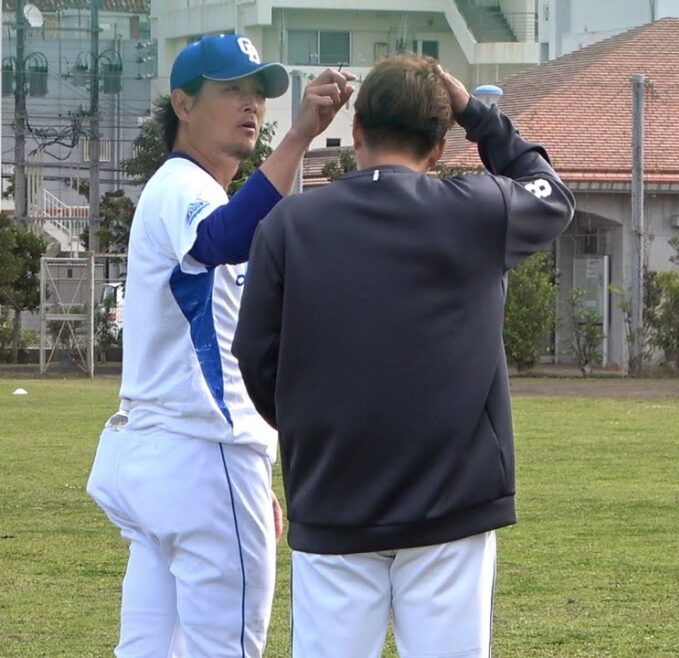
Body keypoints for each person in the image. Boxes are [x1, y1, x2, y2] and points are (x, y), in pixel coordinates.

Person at [231, 54, 574, 658]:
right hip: (452, 504)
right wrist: (477, 113)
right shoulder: (478, 208)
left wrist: (311, 423)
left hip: (333, 496)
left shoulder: (289, 224)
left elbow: (256, 354)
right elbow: (550, 193)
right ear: (440, 148)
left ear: (356, 133)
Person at [85, 33, 353, 656]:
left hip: (169, 456)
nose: (251, 104)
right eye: (231, 89)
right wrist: (300, 137)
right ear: (182, 103)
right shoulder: (183, 183)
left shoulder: (199, 190)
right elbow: (226, 237)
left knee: (151, 647)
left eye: (258, 92)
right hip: (200, 456)